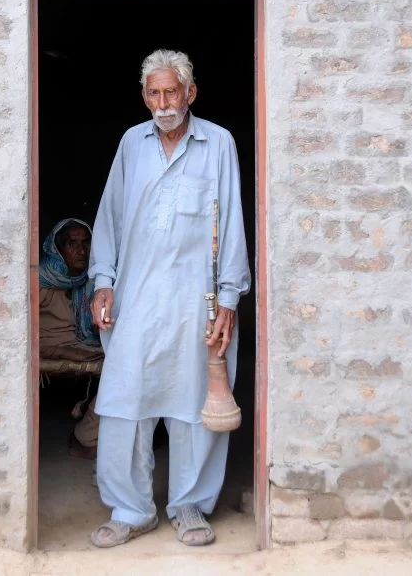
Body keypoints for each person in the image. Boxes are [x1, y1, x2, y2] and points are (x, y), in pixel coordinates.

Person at [88, 49, 250, 548]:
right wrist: (102, 280)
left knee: (195, 401)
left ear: (190, 93)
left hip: (195, 299)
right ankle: (130, 509)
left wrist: (229, 297)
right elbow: (110, 216)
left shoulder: (218, 143)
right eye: (154, 94)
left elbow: (232, 221)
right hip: (136, 296)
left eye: (171, 92)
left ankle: (189, 505)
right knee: (126, 402)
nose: (163, 104)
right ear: (144, 97)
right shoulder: (131, 144)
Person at [39, 218, 103, 459]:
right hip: (49, 346)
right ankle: (84, 438)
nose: (82, 250)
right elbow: (22, 336)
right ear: (57, 248)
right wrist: (65, 352)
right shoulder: (40, 280)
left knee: (127, 366)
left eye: (86, 243)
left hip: (82, 343)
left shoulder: (92, 280)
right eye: (72, 243)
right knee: (118, 372)